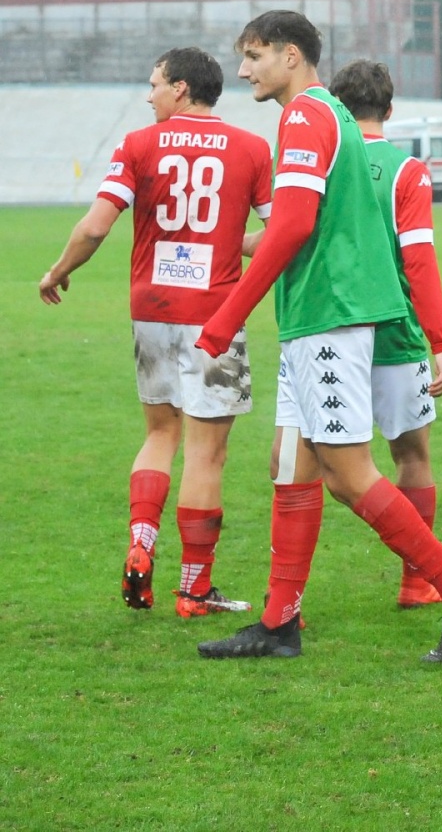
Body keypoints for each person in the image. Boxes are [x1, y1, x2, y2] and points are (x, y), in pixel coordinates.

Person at [193, 10, 442, 662]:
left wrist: (227, 316)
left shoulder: (306, 114)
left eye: (253, 56)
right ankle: (280, 625)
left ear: (289, 53)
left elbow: (297, 222)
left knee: (351, 474)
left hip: (329, 319)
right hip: (315, 317)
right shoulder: (325, 117)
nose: (244, 70)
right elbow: (311, 223)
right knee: (291, 467)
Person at [38, 48, 271, 618]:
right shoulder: (252, 148)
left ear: (182, 89)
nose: (149, 96)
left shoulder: (140, 145)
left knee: (160, 432)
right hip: (216, 313)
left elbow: (96, 225)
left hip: (153, 308)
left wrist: (58, 271)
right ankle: (194, 590)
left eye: (154, 85)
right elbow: (277, 233)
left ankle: (142, 543)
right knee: (206, 452)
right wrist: (228, 245)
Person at [324, 59, 442, 609]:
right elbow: (419, 261)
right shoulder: (406, 170)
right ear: (391, 110)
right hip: (394, 333)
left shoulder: (324, 166)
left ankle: (288, 600)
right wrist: (441, 342)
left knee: (322, 466)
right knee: (411, 455)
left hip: (327, 327)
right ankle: (417, 580)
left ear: (337, 108)